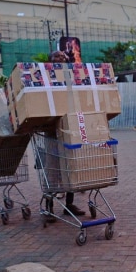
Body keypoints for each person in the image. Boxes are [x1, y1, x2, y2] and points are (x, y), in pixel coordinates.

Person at [47, 50, 86, 217]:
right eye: (57, 57)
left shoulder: (71, 78)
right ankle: (49, 207)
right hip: (50, 132)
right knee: (52, 171)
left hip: (68, 128)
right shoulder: (46, 79)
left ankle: (69, 205)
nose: (61, 59)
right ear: (50, 61)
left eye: (63, 57)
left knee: (70, 168)